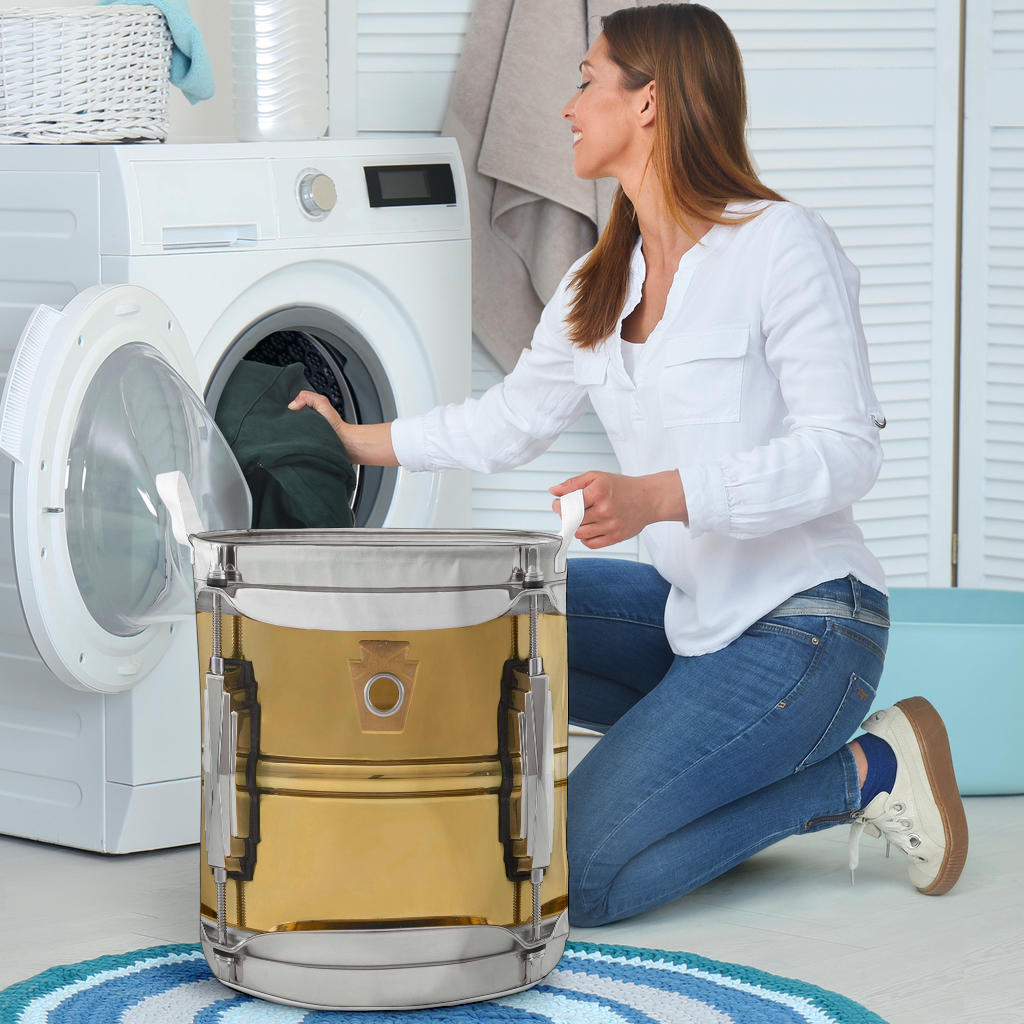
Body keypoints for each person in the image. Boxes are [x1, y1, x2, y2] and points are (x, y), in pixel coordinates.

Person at [289, 2, 968, 928]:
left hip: (810, 626)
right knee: (495, 614)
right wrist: (363, 438)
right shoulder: (596, 281)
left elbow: (845, 454)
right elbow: (510, 422)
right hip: (695, 620)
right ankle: (656, 767)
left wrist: (661, 497)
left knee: (582, 879)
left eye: (586, 81)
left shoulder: (779, 244)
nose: (566, 106)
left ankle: (865, 772)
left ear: (649, 103)